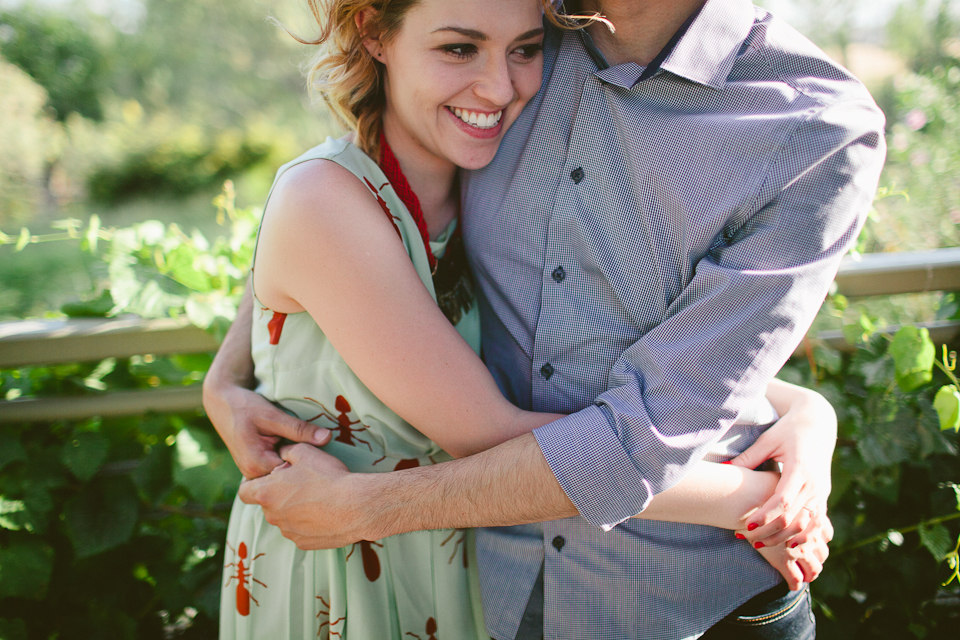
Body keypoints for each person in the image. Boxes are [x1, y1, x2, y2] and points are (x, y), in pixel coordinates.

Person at [208, 0, 886, 638]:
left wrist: (803, 413)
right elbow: (339, 207)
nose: (497, 88)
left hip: (692, 605)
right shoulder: (526, 26)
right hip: (455, 586)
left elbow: (650, 405)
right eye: (461, 50)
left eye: (517, 55)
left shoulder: (816, 129)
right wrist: (228, 374)